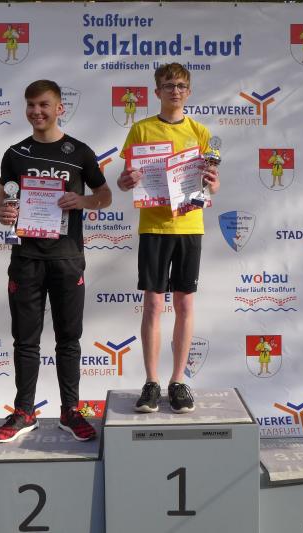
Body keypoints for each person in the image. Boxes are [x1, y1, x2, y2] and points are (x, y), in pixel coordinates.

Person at [0, 80, 112, 442]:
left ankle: (70, 411)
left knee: (69, 339)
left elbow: (104, 195)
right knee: (25, 340)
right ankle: (24, 412)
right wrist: (4, 212)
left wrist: (84, 201)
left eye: (44, 104)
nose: (36, 111)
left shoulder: (80, 152)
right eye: (31, 105)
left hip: (67, 258)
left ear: (60, 108)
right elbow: (0, 199)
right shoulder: (15, 153)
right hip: (26, 258)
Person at [117, 63, 220, 414]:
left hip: (189, 226)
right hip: (154, 227)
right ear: (157, 91)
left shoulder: (200, 132)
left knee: (185, 305)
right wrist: (127, 181)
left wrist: (212, 184)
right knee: (153, 305)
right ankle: (151, 382)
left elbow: (211, 183)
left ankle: (178, 381)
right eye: (168, 85)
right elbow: (125, 180)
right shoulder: (141, 129)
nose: (174, 91)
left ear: (188, 92)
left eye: (180, 85)